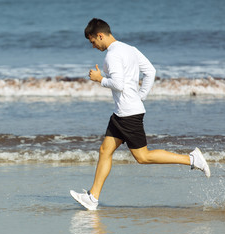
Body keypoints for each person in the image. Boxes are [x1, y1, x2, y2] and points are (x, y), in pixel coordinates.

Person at [70, 18, 210, 210]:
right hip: (123, 112)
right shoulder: (130, 49)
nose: (93, 46)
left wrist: (100, 79)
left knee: (143, 157)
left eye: (92, 42)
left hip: (128, 114)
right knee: (105, 150)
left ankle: (192, 159)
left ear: (99, 35)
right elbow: (151, 72)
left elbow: (118, 84)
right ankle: (92, 198)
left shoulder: (112, 55)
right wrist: (140, 95)